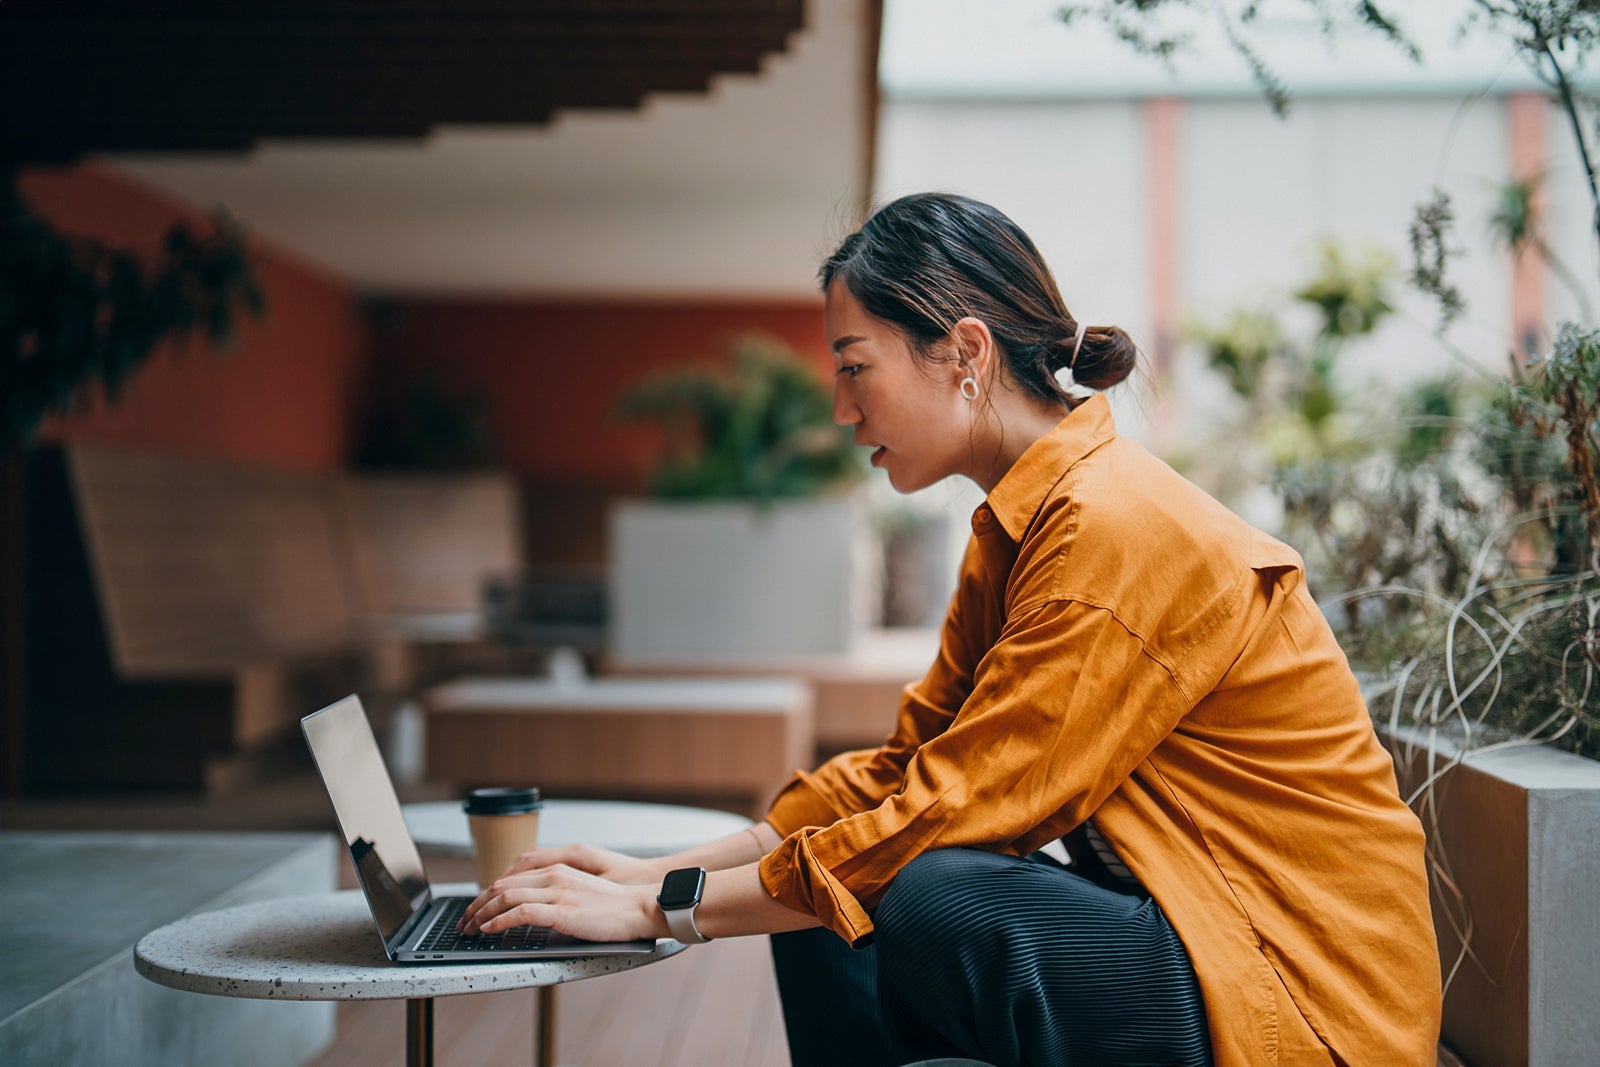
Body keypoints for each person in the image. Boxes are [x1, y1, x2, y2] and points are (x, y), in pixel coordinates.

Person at [460, 192, 1443, 1066]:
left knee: (923, 891)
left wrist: (659, 908)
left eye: (856, 367)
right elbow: (904, 769)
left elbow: (953, 814)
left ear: (963, 352)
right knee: (828, 888)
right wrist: (663, 869)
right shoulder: (1021, 525)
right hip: (1198, 935)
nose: (841, 409)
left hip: (1299, 1003)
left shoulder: (1112, 526)